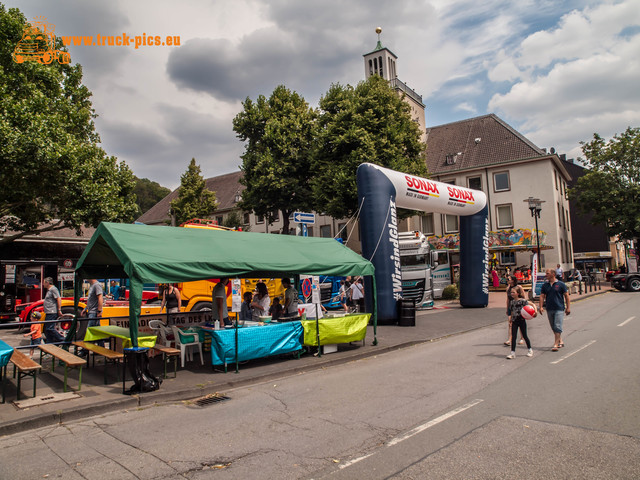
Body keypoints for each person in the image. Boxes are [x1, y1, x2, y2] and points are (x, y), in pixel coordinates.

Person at [539, 268, 571, 351]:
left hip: (559, 308)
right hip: (549, 308)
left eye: (548, 273)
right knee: (553, 326)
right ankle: (560, 340)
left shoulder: (561, 284)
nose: (546, 275)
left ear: (553, 274)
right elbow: (542, 296)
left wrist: (568, 307)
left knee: (557, 325)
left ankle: (556, 344)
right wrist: (541, 306)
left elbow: (566, 296)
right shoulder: (545, 285)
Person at [506, 287, 535, 359]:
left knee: (525, 335)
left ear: (518, 293)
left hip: (521, 320)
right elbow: (512, 311)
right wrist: (510, 319)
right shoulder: (512, 302)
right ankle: (512, 353)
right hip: (515, 320)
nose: (512, 294)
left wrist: (535, 312)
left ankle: (530, 350)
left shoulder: (523, 301)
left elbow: (532, 305)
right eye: (511, 292)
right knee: (514, 337)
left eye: (513, 292)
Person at [42, 277, 64, 344]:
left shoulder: (53, 289)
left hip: (52, 311)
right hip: (48, 311)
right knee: (47, 329)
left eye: (44, 282)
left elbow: (58, 298)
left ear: (47, 283)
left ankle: (62, 339)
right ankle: (49, 342)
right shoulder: (49, 290)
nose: (43, 284)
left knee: (50, 328)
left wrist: (59, 309)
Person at [504, 275, 525, 346]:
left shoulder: (519, 287)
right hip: (511, 307)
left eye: (508, 279)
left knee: (520, 323)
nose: (507, 280)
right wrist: (507, 308)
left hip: (519, 307)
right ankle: (510, 339)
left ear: (513, 280)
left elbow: (523, 297)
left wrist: (524, 307)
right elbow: (508, 299)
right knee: (510, 323)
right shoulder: (508, 288)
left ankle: (522, 338)